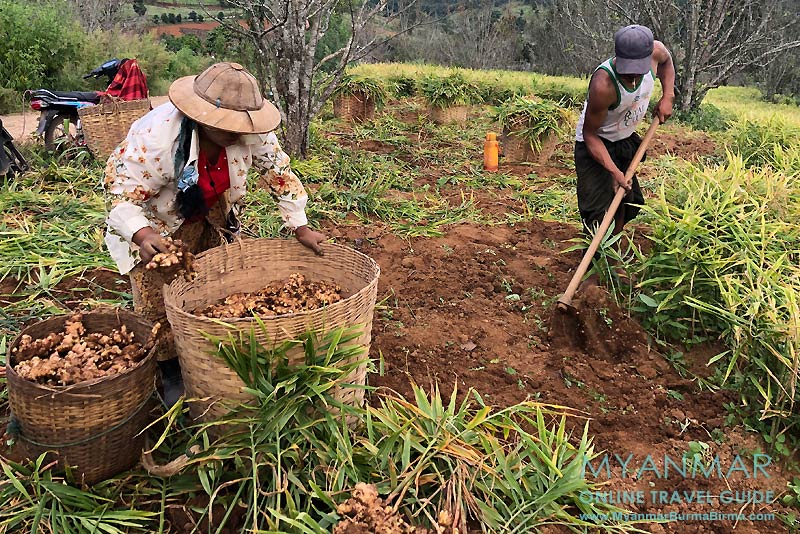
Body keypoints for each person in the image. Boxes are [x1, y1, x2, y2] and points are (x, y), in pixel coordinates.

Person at [103, 62, 326, 406]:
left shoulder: (251, 129)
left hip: (212, 206)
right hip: (157, 216)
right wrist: (143, 235)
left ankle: (209, 345)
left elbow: (278, 171)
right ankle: (171, 368)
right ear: (201, 116)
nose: (235, 131)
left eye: (241, 124)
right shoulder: (157, 137)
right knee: (157, 294)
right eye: (225, 124)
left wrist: (300, 226)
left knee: (213, 279)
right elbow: (119, 190)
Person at [574, 24, 675, 286]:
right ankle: (592, 273)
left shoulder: (656, 52)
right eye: (627, 72)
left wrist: (668, 95)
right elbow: (590, 135)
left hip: (625, 138)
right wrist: (614, 171)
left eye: (637, 73)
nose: (632, 79)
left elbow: (666, 62)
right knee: (597, 211)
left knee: (628, 203)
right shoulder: (603, 84)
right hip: (595, 143)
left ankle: (611, 252)